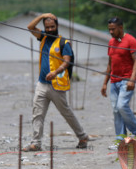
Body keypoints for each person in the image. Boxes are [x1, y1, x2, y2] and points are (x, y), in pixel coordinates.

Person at [23, 13, 89, 151]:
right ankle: (36, 143)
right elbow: (30, 27)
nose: (50, 29)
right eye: (47, 27)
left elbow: (67, 61)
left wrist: (55, 72)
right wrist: (42, 16)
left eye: (52, 26)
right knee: (37, 113)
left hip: (57, 85)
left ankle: (82, 136)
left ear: (57, 26)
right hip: (42, 84)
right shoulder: (43, 37)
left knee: (66, 112)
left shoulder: (63, 43)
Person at [101, 17, 136, 150]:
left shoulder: (130, 40)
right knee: (116, 110)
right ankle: (120, 139)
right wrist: (104, 83)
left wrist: (132, 79)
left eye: (113, 29)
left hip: (126, 80)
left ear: (121, 27)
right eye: (109, 29)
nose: (111, 32)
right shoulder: (111, 42)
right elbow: (110, 64)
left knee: (121, 106)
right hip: (114, 82)